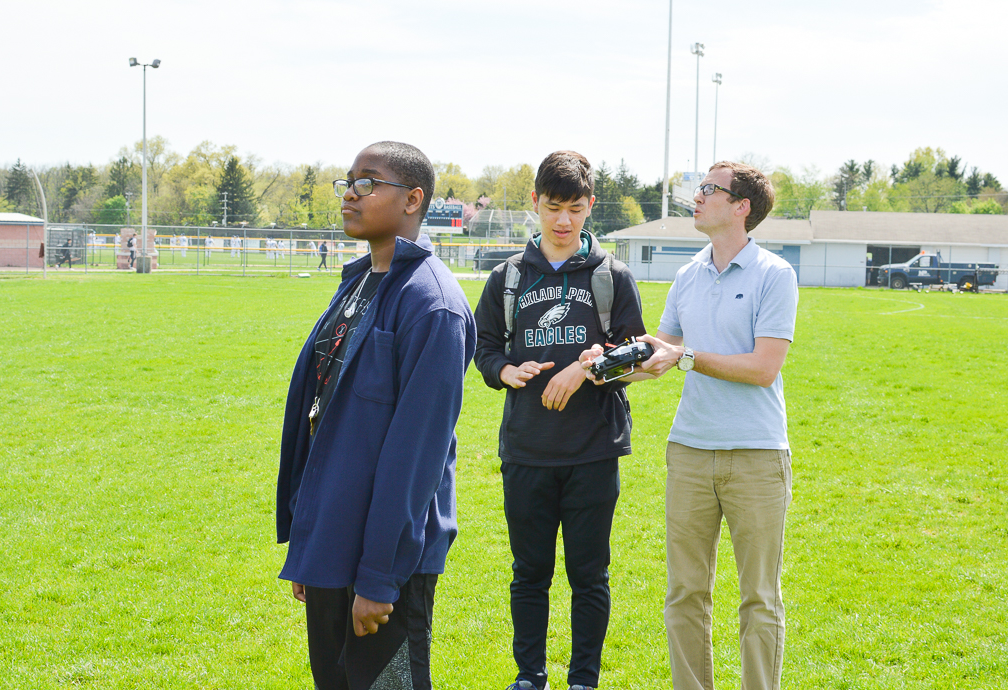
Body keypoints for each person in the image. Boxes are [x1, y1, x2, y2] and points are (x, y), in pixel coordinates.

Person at [582, 161, 797, 690]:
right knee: (684, 595)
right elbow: (662, 356)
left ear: (741, 206)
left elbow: (763, 368)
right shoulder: (688, 275)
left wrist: (686, 357)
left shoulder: (775, 274)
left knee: (759, 598)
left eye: (708, 189)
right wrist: (607, 366)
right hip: (690, 453)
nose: (696, 196)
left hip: (757, 455)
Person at [277, 141, 476, 690]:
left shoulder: (432, 304)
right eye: (348, 181)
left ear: (413, 199)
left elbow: (415, 457)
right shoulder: (360, 282)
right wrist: (310, 542)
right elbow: (323, 418)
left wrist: (379, 577)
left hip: (385, 560)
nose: (350, 193)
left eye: (367, 182)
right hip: (332, 542)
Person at [473, 150, 646, 690]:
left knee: (589, 576)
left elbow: (635, 354)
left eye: (574, 208)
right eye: (553, 207)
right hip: (527, 449)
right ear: (535, 204)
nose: (563, 220)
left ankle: (583, 680)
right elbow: (483, 347)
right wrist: (506, 371)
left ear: (590, 205)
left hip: (593, 450)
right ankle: (530, 676)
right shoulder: (507, 277)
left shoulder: (612, 276)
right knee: (529, 574)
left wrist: (586, 368)